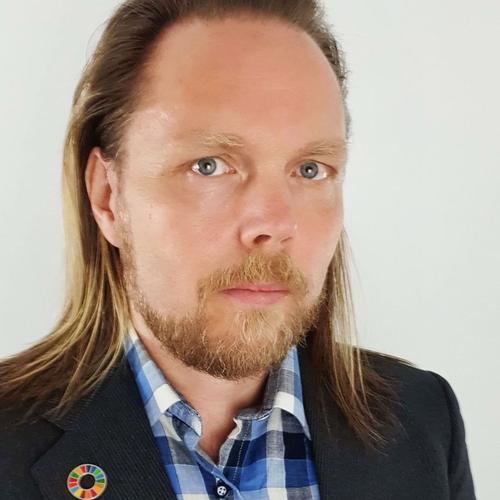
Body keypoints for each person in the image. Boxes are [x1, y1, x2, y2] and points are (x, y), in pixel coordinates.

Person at [0, 1, 476, 499]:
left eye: (310, 169)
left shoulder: (422, 420)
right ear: (108, 196)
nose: (273, 224)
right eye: (208, 165)